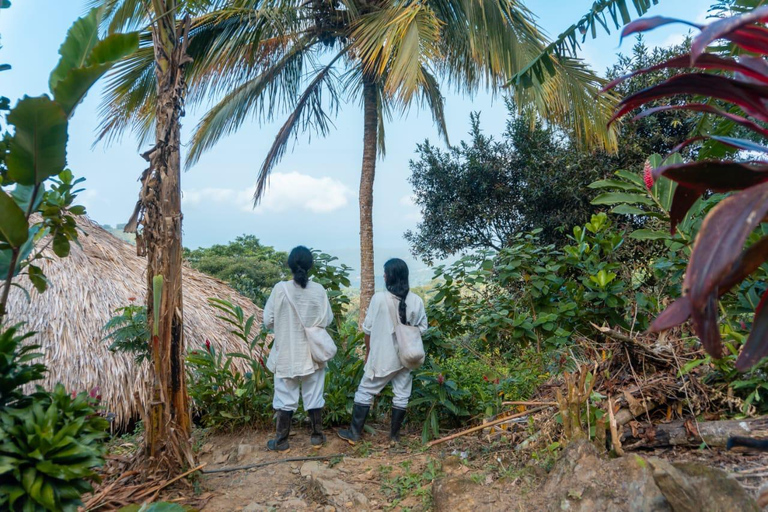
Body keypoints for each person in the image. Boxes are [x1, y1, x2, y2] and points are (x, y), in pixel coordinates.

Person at [338, 258, 428, 445]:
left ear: (390, 277)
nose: (384, 276)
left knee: (365, 391)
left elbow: (368, 329)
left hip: (382, 356)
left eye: (385, 273)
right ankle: (394, 437)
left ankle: (354, 434)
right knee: (402, 394)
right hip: (407, 356)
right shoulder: (416, 300)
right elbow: (423, 328)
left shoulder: (379, 299)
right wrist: (406, 334)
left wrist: (368, 353)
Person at [263, 246, 333, 451]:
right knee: (314, 394)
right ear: (311, 265)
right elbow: (327, 319)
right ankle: (317, 436)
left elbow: (268, 320)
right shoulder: (319, 290)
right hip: (313, 351)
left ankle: (281, 441)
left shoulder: (280, 289)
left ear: (290, 265)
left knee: (285, 396)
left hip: (286, 350)